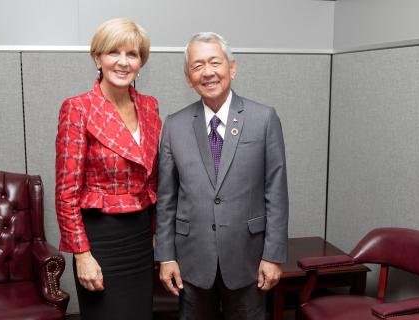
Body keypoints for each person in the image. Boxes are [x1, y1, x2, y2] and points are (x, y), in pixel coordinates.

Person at [155, 32, 289, 320]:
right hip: (192, 261)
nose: (207, 73)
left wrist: (273, 255)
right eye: (197, 66)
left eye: (215, 62)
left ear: (232, 67)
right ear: (188, 77)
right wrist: (166, 256)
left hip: (248, 258)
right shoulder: (174, 125)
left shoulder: (264, 119)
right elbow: (166, 198)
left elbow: (276, 192)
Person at [55, 18, 161, 320]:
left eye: (133, 54)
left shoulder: (150, 106)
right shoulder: (78, 108)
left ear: (141, 62)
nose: (123, 62)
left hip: (141, 237)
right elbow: (66, 193)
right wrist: (82, 255)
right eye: (114, 52)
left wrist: (157, 235)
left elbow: (153, 179)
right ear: (97, 57)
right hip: (100, 241)